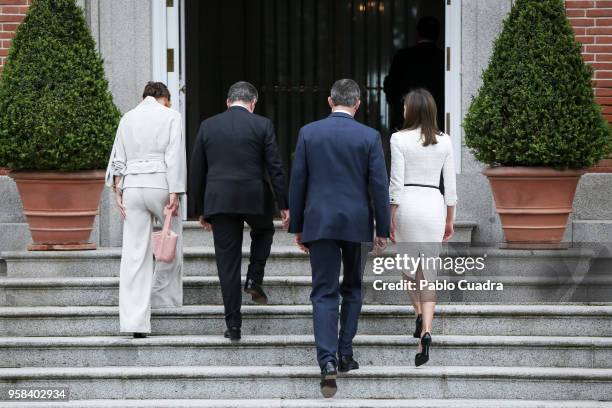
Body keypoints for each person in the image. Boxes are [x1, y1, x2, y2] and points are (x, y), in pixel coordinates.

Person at [288, 79, 390, 398]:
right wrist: (383, 229)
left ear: (330, 101)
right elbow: (379, 187)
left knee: (323, 292)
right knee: (353, 288)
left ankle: (328, 362)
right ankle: (345, 353)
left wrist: (298, 226)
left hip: (319, 222)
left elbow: (298, 183)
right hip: (357, 224)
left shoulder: (309, 133)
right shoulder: (370, 136)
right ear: (357, 104)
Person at [189, 81, 289, 342]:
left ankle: (233, 326)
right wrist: (285, 205)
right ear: (253, 103)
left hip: (219, 200)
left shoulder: (208, 125)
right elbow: (275, 168)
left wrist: (201, 209)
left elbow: (197, 169)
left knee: (227, 264)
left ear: (227, 101)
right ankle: (254, 278)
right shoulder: (262, 125)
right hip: (254, 197)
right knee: (265, 230)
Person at [105, 81, 186, 338]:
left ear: (143, 97)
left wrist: (117, 187)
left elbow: (118, 156)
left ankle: (134, 321)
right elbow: (175, 155)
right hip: (161, 182)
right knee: (171, 241)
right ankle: (165, 299)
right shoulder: (172, 116)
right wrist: (175, 189)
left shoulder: (127, 118)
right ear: (164, 97)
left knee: (134, 252)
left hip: (133, 185)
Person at [389, 88, 457, 367]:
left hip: (407, 203)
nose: (403, 110)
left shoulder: (398, 138)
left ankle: (416, 311)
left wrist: (389, 218)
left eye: (405, 106)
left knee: (407, 268)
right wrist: (449, 220)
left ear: (412, 110)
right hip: (433, 205)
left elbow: (395, 183)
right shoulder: (445, 141)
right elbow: (450, 188)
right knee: (428, 274)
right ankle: (426, 332)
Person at [384, 16, 445, 131]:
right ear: (438, 35)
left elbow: (391, 85)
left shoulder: (402, 56)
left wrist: (397, 105)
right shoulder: (443, 58)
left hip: (404, 119)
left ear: (417, 33)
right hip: (435, 120)